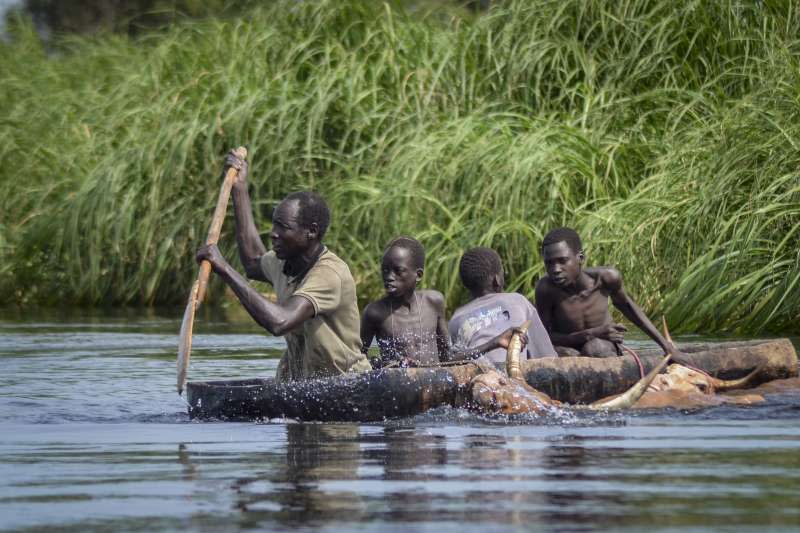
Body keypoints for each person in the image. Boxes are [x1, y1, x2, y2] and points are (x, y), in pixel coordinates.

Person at [195, 150, 372, 382]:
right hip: (301, 385)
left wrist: (224, 269)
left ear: (311, 232)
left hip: (346, 384)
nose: (273, 234)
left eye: (283, 228)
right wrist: (239, 190)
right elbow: (252, 261)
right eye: (273, 226)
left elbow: (280, 322)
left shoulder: (329, 274)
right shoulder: (284, 261)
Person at [360, 237, 524, 368]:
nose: (389, 277)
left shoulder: (433, 302)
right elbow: (366, 356)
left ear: (418, 275)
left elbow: (448, 356)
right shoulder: (375, 313)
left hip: (435, 387)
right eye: (385, 270)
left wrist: (495, 342)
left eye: (398, 271)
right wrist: (391, 366)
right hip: (400, 392)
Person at [534, 227, 684, 361]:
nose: (555, 269)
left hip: (604, 347)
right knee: (559, 355)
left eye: (562, 261)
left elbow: (633, 312)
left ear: (580, 258)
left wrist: (667, 347)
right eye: (549, 263)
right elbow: (544, 337)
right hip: (569, 347)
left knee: (595, 348)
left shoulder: (606, 279)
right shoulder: (546, 289)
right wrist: (592, 333)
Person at [449, 247, 557, 364]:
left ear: (466, 285)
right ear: (497, 280)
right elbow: (547, 357)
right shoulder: (517, 301)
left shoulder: (456, 318)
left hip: (479, 377)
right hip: (512, 376)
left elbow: (454, 363)